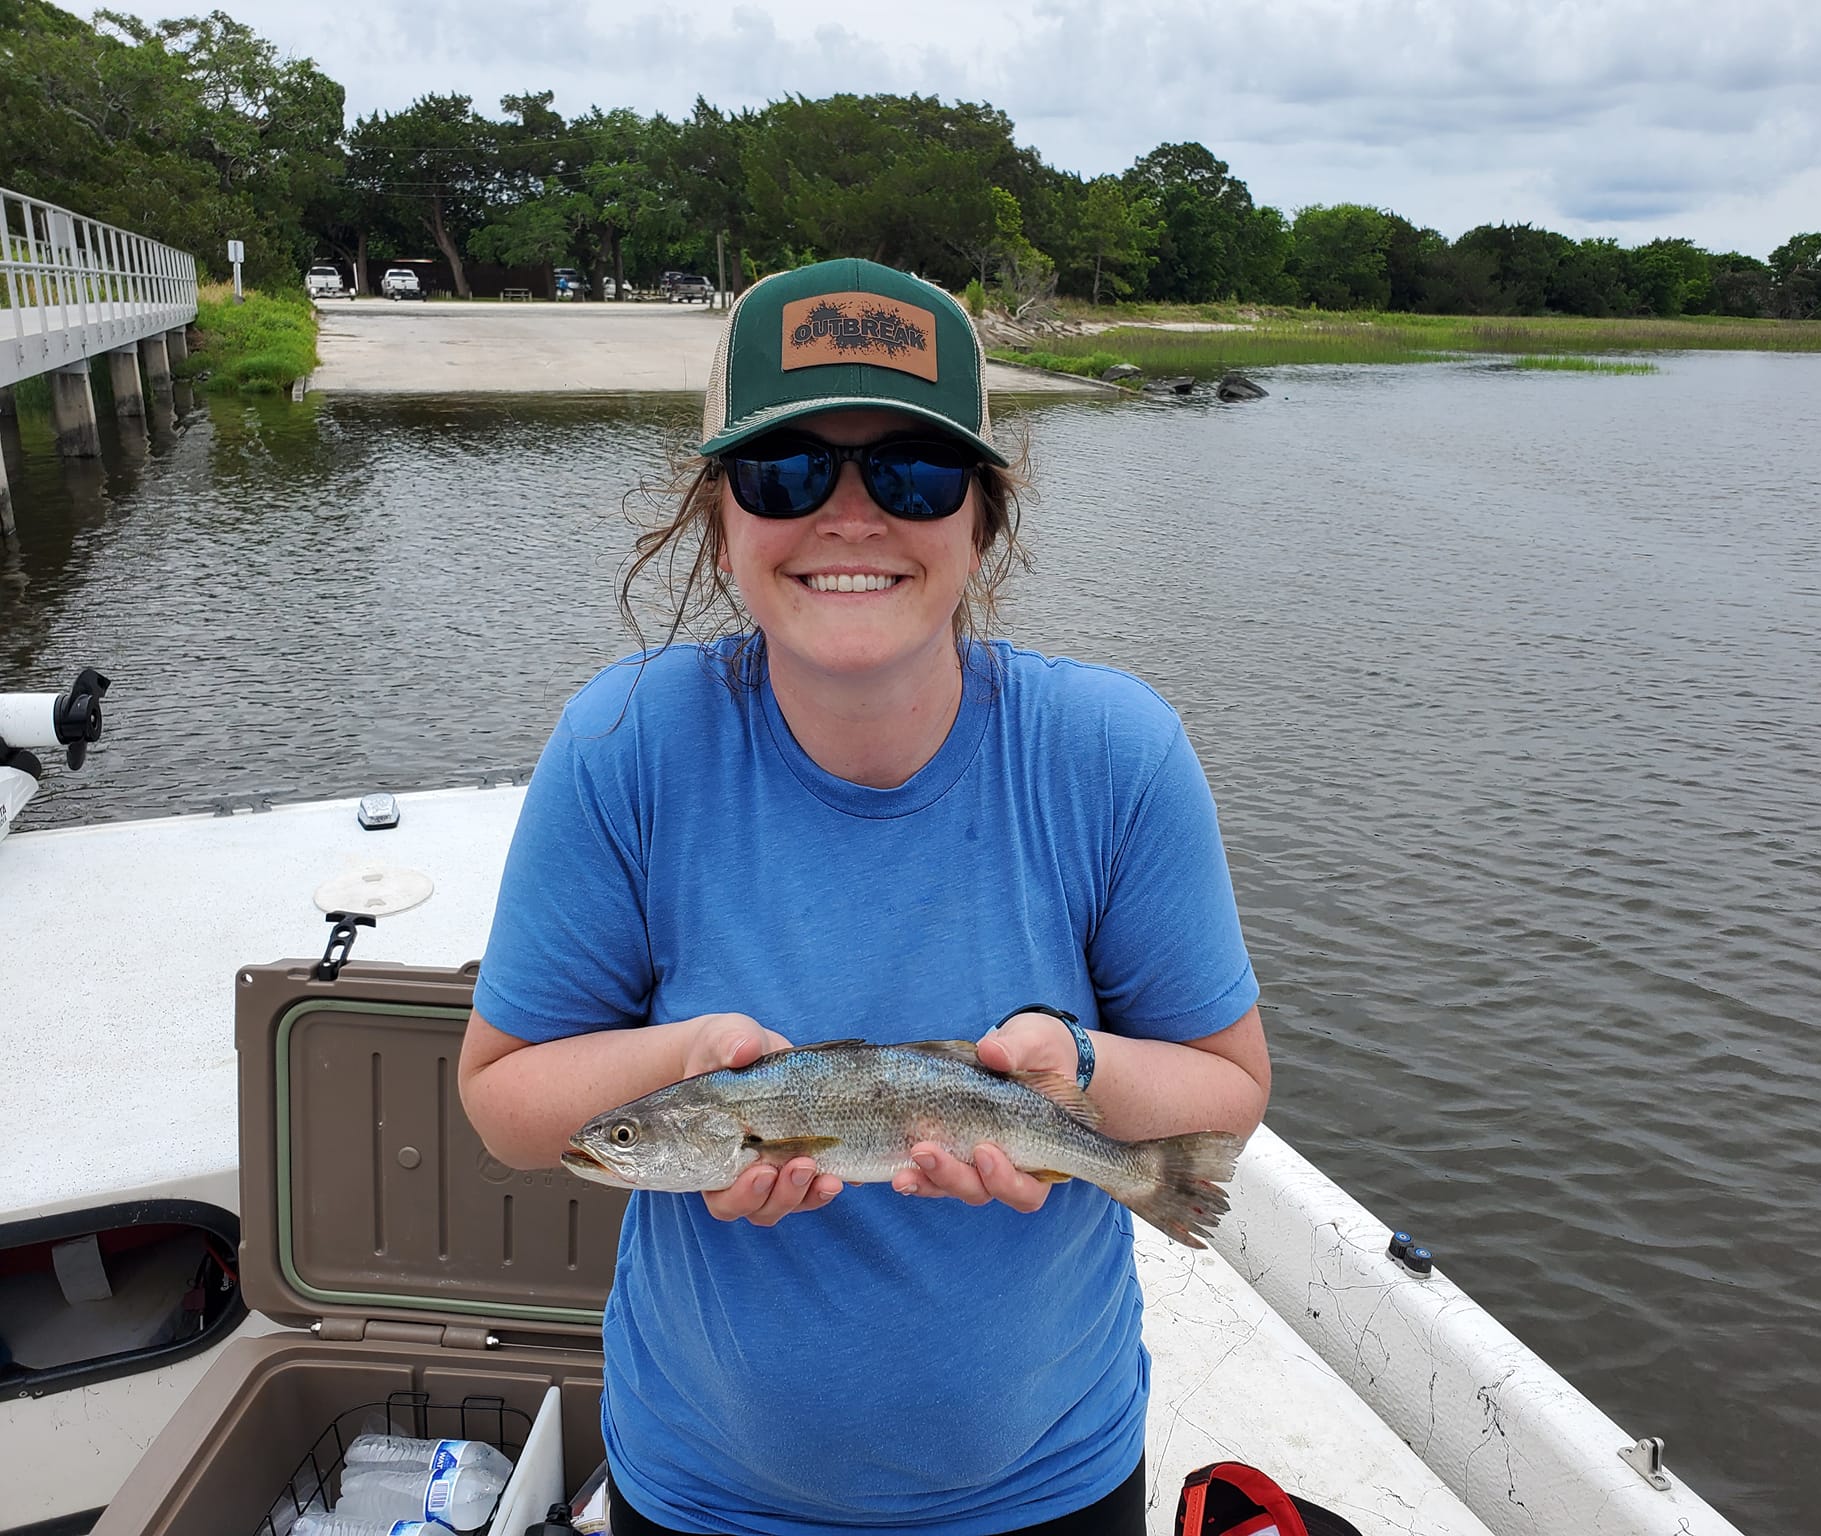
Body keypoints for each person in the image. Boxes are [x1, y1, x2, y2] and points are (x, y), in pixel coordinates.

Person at [458, 258, 1270, 1536]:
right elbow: (507, 1106)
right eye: (785, 472)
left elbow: (1229, 1089)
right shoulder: (624, 746)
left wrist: (1073, 1075)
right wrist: (688, 1062)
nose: (850, 517)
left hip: (1049, 1484)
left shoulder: (1114, 754)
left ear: (979, 519)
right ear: (720, 515)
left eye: (910, 472)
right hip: (706, 1490)